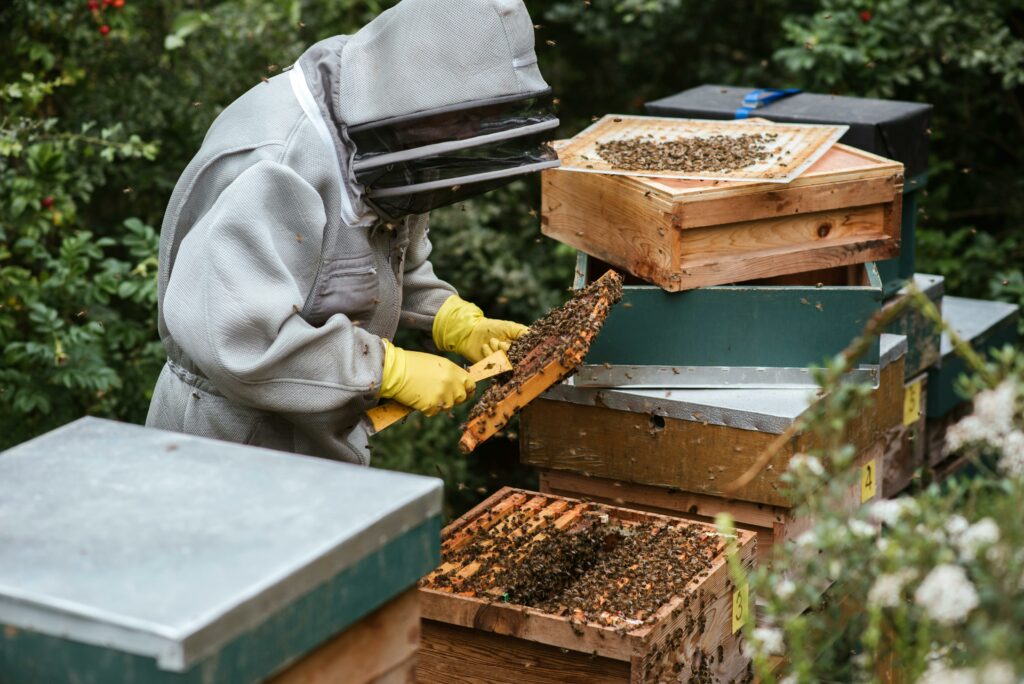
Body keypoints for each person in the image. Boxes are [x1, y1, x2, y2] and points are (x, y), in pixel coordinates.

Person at [146, 0, 559, 464]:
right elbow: (240, 339)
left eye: (483, 118)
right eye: (465, 116)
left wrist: (449, 318)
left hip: (314, 441)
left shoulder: (391, 136)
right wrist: (387, 369)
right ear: (418, 84)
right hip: (226, 443)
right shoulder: (277, 164)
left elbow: (368, 262)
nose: (471, 130)